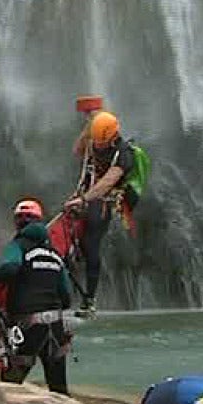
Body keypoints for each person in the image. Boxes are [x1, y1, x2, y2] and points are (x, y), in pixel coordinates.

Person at [0, 197, 73, 395]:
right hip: (56, 326)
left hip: (28, 325)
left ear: (18, 223)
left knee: (10, 385)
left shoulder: (18, 246)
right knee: (59, 387)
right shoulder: (54, 254)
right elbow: (66, 296)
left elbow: (10, 267)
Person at [64, 109, 135, 310]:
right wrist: (88, 128)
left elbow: (108, 182)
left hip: (106, 201)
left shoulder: (124, 154)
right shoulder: (94, 141)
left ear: (113, 137)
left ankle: (90, 299)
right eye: (95, 140)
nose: (97, 145)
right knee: (68, 238)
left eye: (101, 142)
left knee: (90, 242)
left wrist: (84, 199)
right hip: (85, 196)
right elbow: (77, 151)